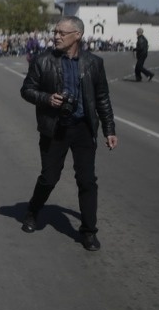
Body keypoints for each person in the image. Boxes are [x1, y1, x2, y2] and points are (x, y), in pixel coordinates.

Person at [20, 16, 118, 251]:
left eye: (62, 33)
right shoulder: (42, 61)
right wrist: (47, 98)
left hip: (84, 129)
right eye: (55, 32)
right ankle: (33, 211)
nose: (56, 36)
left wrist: (109, 129)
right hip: (55, 129)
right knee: (49, 177)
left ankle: (88, 232)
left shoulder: (94, 63)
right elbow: (26, 90)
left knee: (87, 180)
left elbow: (102, 98)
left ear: (78, 35)